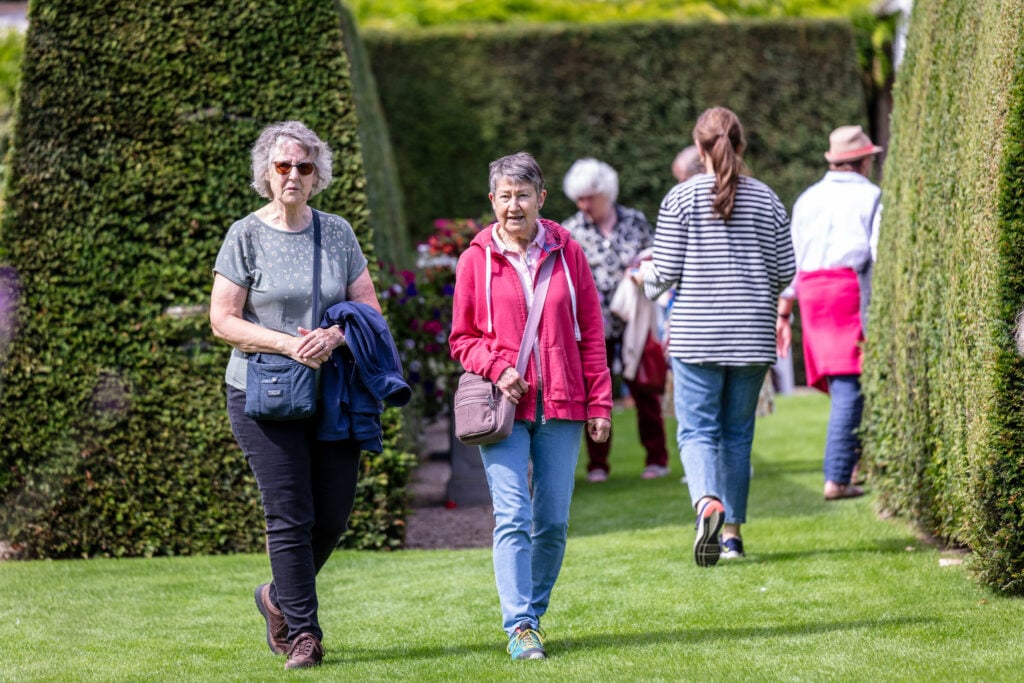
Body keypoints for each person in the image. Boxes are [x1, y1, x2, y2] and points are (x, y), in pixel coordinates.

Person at [209, 120, 386, 670]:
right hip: (262, 393)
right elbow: (223, 320)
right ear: (267, 171)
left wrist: (335, 335)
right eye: (283, 165)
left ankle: (276, 598)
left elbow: (369, 311)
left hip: (332, 392)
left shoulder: (337, 233)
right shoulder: (245, 234)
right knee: (289, 515)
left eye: (303, 167)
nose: (292, 175)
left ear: (317, 175)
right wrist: (288, 345)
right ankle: (305, 634)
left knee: (331, 515)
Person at [449, 152, 612, 660]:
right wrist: (499, 367)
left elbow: (591, 334)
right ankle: (520, 625)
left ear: (541, 199)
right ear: (491, 201)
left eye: (523, 195)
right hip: (503, 408)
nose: (513, 205)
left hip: (563, 402)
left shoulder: (569, 253)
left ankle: (532, 615)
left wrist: (600, 403)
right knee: (513, 514)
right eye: (504, 196)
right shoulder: (475, 259)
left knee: (554, 521)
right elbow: (462, 339)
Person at [642, 107, 795, 565]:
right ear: (741, 145)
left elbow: (664, 273)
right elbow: (785, 270)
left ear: (699, 147)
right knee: (736, 435)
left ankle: (706, 499)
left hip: (696, 335)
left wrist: (641, 279)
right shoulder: (767, 199)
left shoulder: (680, 199)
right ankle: (731, 538)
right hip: (751, 336)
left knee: (696, 431)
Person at [776, 124, 883, 501]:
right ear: (863, 161)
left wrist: (784, 312)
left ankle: (853, 466)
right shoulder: (872, 196)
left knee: (844, 386)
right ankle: (837, 478)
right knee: (851, 386)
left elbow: (792, 257)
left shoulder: (807, 198)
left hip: (812, 293)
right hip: (848, 290)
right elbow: (878, 251)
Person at [561, 158, 671, 482]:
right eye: (579, 198)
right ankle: (597, 464)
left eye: (589, 198)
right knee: (594, 394)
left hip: (635, 320)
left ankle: (656, 459)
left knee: (646, 389)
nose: (584, 205)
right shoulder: (571, 230)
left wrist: (639, 270)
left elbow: (658, 261)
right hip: (594, 325)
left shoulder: (635, 222)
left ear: (606, 193)